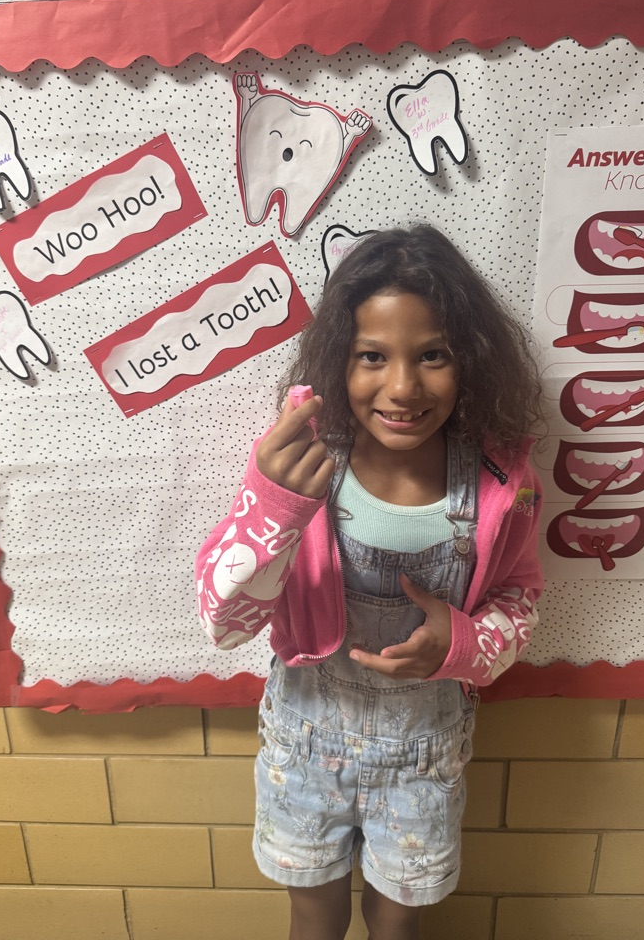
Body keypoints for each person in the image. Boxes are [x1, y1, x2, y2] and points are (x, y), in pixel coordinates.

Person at [196, 225, 544, 940]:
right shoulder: (303, 461)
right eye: (372, 357)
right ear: (338, 360)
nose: (403, 387)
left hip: (423, 752)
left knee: (397, 921)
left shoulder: (499, 480)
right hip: (304, 741)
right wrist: (274, 510)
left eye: (433, 356)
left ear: (469, 358)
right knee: (313, 917)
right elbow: (224, 623)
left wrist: (466, 642)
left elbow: (521, 597)